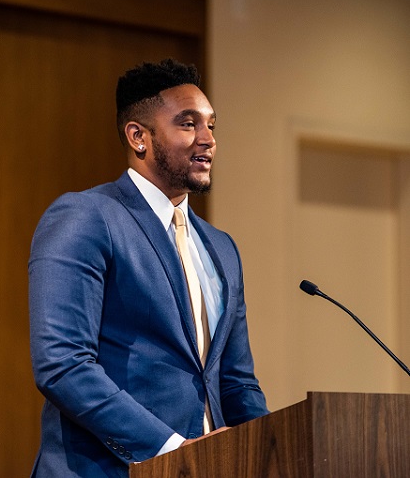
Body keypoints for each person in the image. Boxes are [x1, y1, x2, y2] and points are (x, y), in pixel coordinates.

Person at [29, 58, 268, 477]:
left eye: (212, 125)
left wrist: (271, 455)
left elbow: (237, 382)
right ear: (139, 136)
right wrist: (173, 452)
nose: (208, 139)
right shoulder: (86, 216)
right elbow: (63, 364)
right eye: (189, 124)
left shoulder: (221, 248)